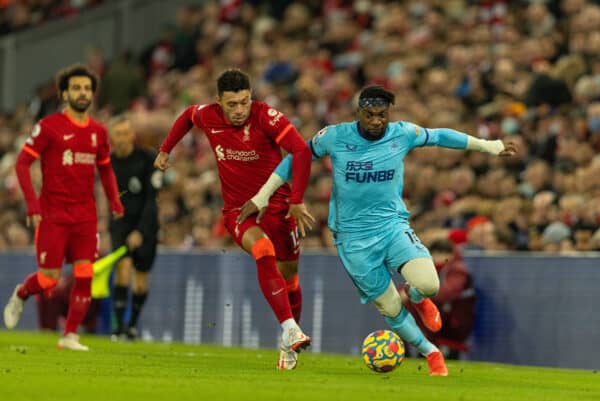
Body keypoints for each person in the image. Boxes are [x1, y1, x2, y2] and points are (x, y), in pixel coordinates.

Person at [239, 85, 516, 376]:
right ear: (358, 112)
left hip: (392, 226)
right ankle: (432, 353)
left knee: (429, 284)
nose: (376, 121)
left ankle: (419, 299)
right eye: (369, 115)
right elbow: (296, 157)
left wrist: (489, 146)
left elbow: (441, 136)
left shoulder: (403, 133)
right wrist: (262, 196)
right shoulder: (335, 136)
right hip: (352, 238)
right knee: (391, 307)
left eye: (381, 115)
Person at [154, 68, 314, 370]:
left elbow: (301, 151)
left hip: (277, 207)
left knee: (290, 276)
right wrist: (165, 149)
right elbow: (188, 114)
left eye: (244, 102)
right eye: (232, 104)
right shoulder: (208, 116)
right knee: (263, 250)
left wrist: (296, 200)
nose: (240, 110)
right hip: (238, 211)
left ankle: (288, 340)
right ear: (219, 102)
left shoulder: (266, 116)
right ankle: (290, 328)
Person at [3, 64, 124, 350]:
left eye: (86, 88)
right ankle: (21, 293)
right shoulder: (49, 127)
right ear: (64, 93)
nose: (82, 93)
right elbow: (22, 163)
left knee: (84, 274)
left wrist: (115, 200)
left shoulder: (98, 132)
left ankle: (69, 335)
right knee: (48, 279)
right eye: (76, 88)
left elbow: (105, 170)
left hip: (85, 215)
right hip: (54, 214)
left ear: (92, 94)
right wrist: (32, 205)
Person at [108, 115, 161, 340]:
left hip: (145, 222)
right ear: (111, 138)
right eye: (117, 134)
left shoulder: (147, 159)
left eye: (124, 133)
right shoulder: (107, 162)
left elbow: (152, 199)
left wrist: (141, 230)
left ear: (132, 135)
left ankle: (132, 325)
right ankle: (119, 326)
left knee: (140, 278)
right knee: (123, 267)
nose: (121, 138)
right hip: (120, 222)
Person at [407, 239, 476, 360]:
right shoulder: (431, 269)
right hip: (440, 320)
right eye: (435, 254)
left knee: (414, 300)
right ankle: (409, 347)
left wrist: (419, 292)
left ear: (450, 254)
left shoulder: (457, 269)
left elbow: (447, 292)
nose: (438, 257)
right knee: (406, 304)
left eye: (442, 254)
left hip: (454, 321)